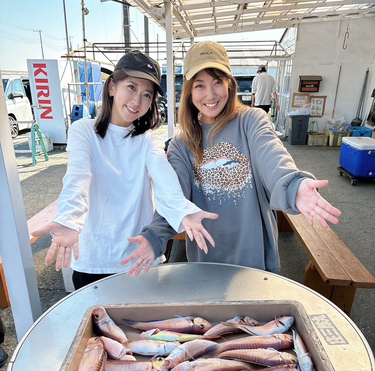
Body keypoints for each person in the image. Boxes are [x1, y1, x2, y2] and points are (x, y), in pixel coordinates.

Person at [122, 41, 341, 276]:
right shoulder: (181, 144)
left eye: (217, 81)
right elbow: (174, 197)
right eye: (199, 85)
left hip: (255, 261)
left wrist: (293, 185)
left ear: (230, 84)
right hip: (205, 262)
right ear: (189, 91)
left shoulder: (251, 121)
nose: (210, 94)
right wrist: (154, 236)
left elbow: (272, 154)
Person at [32, 50, 218, 289]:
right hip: (92, 261)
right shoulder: (83, 131)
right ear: (112, 87)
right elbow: (77, 178)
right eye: (131, 87)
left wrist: (182, 210)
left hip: (140, 257)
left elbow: (163, 177)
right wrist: (69, 219)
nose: (137, 101)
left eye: (146, 95)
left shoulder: (148, 139)